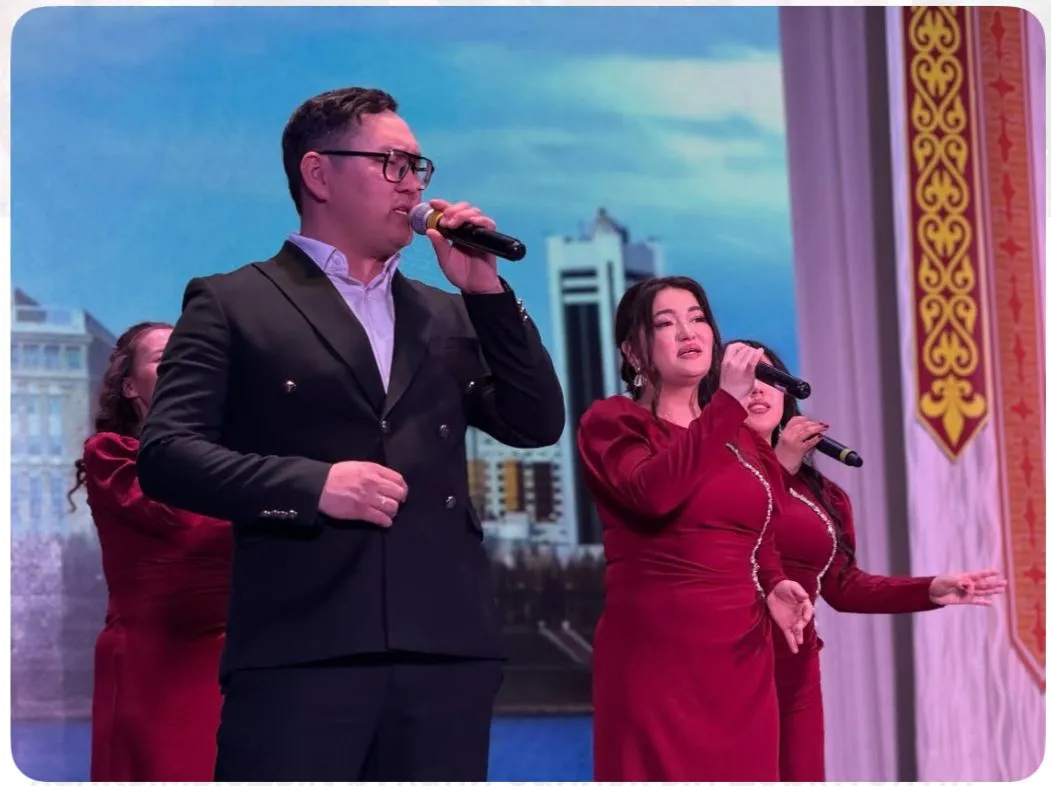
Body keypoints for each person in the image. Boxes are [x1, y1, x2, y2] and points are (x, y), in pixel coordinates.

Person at [135, 86, 565, 782]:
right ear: (318, 174)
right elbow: (167, 455)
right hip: (302, 646)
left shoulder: (447, 312)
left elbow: (535, 421)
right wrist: (312, 486)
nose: (412, 184)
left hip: (444, 649)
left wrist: (485, 292)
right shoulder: (234, 302)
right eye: (391, 163)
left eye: (418, 167)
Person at [733, 338, 1008, 782]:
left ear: (787, 393)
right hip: (732, 663)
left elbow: (843, 586)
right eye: (745, 378)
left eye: (770, 377)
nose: (759, 389)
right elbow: (743, 536)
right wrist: (780, 464)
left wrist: (929, 588)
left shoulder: (826, 495)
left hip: (796, 669)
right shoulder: (716, 476)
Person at [576, 276, 814, 782]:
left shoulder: (741, 439)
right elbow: (653, 493)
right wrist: (725, 404)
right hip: (658, 657)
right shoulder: (614, 422)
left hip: (743, 658)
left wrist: (774, 584)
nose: (689, 332)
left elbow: (759, 533)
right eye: (666, 323)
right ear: (633, 352)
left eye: (698, 318)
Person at [69, 321, 232, 782]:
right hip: (155, 664)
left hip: (237, 663)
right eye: (164, 360)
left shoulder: (237, 456)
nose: (183, 367)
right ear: (129, 386)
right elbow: (187, 519)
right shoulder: (111, 454)